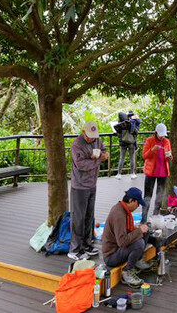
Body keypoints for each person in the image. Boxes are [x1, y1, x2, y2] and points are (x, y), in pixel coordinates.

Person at [69, 121, 108, 260]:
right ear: (83, 132)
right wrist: (97, 161)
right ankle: (75, 249)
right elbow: (80, 165)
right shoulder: (77, 144)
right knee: (78, 218)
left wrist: (104, 155)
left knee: (89, 216)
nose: (92, 139)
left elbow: (103, 150)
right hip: (79, 186)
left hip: (92, 184)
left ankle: (86, 244)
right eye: (89, 136)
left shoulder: (97, 140)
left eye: (94, 136)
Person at [103, 187, 152, 287]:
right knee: (139, 243)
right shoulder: (119, 214)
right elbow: (122, 242)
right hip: (111, 256)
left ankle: (138, 260)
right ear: (131, 201)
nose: (138, 206)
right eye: (138, 203)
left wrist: (139, 229)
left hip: (118, 248)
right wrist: (138, 230)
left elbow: (126, 230)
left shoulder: (122, 208)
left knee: (146, 231)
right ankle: (127, 272)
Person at [140, 123, 172, 224]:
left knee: (160, 195)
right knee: (147, 196)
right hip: (151, 172)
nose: (161, 136)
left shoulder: (167, 141)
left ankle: (155, 216)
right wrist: (152, 150)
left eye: (163, 135)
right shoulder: (150, 140)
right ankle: (144, 218)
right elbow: (144, 155)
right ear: (156, 132)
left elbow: (169, 155)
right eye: (160, 134)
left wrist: (170, 156)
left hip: (163, 172)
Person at [114, 111, 140, 179]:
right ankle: (133, 174)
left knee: (121, 158)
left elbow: (118, 134)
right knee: (132, 158)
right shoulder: (132, 122)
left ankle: (119, 174)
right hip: (131, 142)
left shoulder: (120, 124)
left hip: (123, 143)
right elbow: (136, 132)